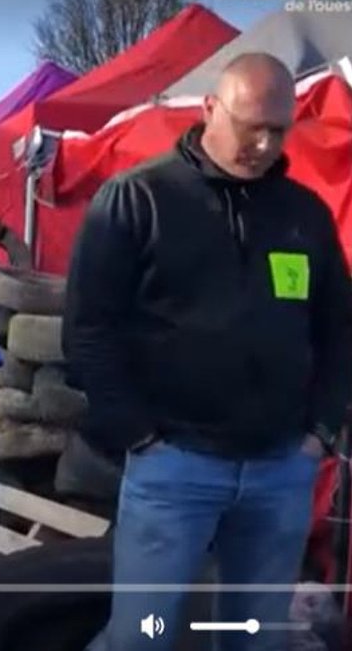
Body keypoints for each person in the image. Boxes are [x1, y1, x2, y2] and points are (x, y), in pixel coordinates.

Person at [64, 53, 352, 651]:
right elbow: (89, 329)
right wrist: (139, 435)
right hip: (174, 467)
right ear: (210, 109)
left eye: (278, 130)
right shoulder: (137, 200)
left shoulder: (306, 216)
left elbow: (339, 331)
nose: (265, 143)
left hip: (280, 471)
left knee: (254, 636)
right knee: (142, 637)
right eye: (251, 127)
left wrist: (321, 430)